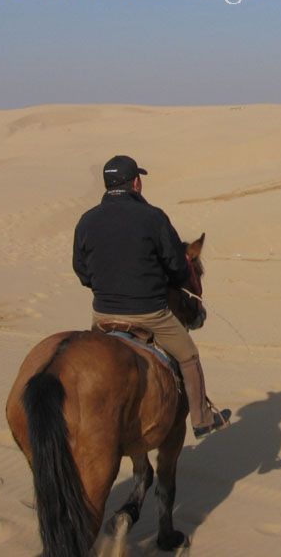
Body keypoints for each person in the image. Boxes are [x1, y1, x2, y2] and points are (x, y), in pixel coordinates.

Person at [73, 155, 229, 438]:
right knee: (189, 355)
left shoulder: (87, 220)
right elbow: (177, 265)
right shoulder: (153, 217)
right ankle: (202, 419)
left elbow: (81, 271)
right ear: (136, 183)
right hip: (150, 313)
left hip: (104, 314)